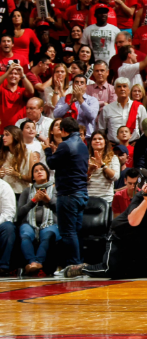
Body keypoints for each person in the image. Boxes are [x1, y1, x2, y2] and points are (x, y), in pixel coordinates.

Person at [64, 169, 147, 279]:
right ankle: (83, 268)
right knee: (110, 270)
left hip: (141, 239)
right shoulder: (141, 196)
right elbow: (133, 222)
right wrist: (146, 200)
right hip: (121, 236)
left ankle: (128, 268)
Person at [43, 117, 89, 274]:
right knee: (75, 231)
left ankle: (74, 265)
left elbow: (51, 163)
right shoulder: (82, 145)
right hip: (81, 193)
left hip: (68, 194)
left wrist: (47, 150)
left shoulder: (65, 145)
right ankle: (78, 264)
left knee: (68, 232)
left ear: (63, 130)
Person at [17, 162, 58, 275]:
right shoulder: (27, 191)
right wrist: (33, 201)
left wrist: (48, 201)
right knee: (25, 234)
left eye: (42, 169)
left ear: (47, 173)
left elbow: (60, 210)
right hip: (29, 223)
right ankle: (33, 262)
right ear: (33, 177)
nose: (39, 172)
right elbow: (19, 214)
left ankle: (37, 262)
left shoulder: (56, 189)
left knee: (47, 235)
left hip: (51, 223)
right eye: (36, 171)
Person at [97, 77, 147, 143]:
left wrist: (139, 143)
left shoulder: (140, 107)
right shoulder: (107, 109)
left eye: (124, 86)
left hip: (134, 145)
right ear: (115, 90)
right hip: (113, 146)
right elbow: (101, 130)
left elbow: (145, 129)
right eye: (119, 86)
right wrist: (107, 143)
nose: (122, 89)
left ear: (129, 90)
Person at [0, 125, 40, 196]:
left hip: (22, 193)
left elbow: (32, 178)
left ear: (15, 136)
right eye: (3, 135)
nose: (3, 137)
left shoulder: (28, 153)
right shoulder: (3, 154)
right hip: (5, 193)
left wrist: (16, 174)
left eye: (7, 135)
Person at [86, 130, 120, 205]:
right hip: (88, 198)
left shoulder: (113, 158)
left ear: (105, 142)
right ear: (91, 143)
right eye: (94, 139)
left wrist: (102, 165)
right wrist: (90, 170)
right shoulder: (86, 158)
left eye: (100, 139)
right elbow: (82, 180)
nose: (97, 141)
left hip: (106, 199)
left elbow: (115, 177)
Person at [0, 178, 17, 277]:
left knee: (8, 228)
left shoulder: (3, 186)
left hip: (1, 223)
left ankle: (3, 267)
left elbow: (8, 213)